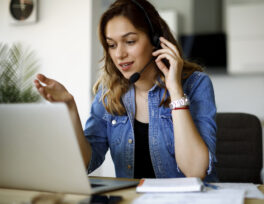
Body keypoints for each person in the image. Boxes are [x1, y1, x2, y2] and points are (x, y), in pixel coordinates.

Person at [34, 0, 217, 181]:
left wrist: (175, 91)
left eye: (129, 41)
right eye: (112, 45)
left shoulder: (196, 85)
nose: (119, 54)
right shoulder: (109, 92)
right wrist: (69, 107)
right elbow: (86, 163)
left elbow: (195, 171)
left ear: (155, 40)